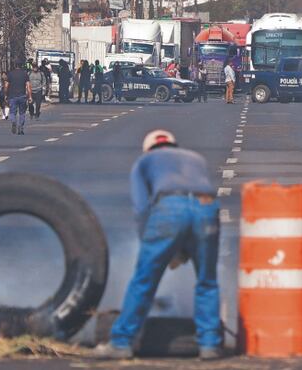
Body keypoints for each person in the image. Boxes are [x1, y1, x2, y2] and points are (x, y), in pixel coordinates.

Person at [93, 130, 223, 361]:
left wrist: (151, 244)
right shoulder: (195, 158)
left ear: (148, 148)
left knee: (144, 279)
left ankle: (121, 342)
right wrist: (185, 248)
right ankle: (210, 345)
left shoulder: (143, 162)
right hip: (207, 207)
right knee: (207, 281)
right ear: (174, 145)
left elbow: (142, 209)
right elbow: (197, 196)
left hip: (170, 206)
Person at [6, 63, 32, 135]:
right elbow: (28, 86)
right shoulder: (25, 74)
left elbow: (6, 85)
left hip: (12, 96)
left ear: (14, 66)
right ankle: (21, 126)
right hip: (22, 96)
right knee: (22, 112)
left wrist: (6, 94)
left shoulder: (10, 74)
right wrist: (30, 96)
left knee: (12, 112)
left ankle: (13, 121)